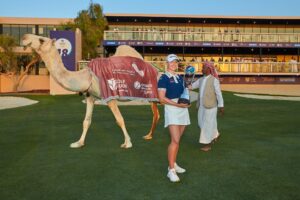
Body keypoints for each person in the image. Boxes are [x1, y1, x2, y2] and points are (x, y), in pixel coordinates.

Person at [158, 54, 190, 182]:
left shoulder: (180, 77)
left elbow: (184, 93)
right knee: (175, 140)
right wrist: (177, 104)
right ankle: (171, 170)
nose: (174, 64)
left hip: (182, 109)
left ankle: (174, 163)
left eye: (176, 62)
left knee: (177, 140)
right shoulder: (163, 78)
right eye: (171, 62)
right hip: (172, 108)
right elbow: (161, 99)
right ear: (167, 63)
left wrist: (187, 102)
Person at [190, 62, 224, 152]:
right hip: (202, 106)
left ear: (209, 69)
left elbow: (218, 94)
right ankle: (215, 134)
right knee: (200, 123)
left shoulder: (214, 80)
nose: (202, 69)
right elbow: (192, 86)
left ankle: (207, 144)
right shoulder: (201, 80)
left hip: (211, 106)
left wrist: (221, 106)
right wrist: (186, 85)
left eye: (204, 68)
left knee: (206, 125)